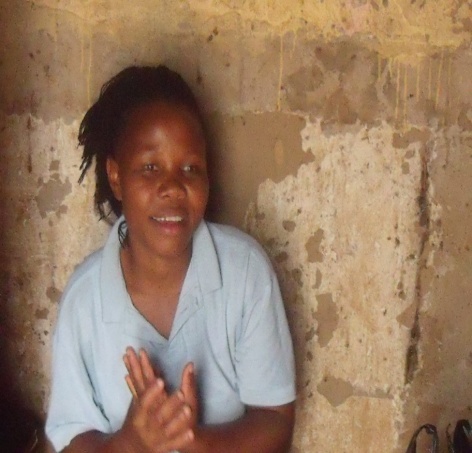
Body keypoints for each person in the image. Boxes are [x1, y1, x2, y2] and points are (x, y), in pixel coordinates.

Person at [45, 65, 296, 453]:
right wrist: (130, 444)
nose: (173, 187)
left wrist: (194, 440)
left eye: (190, 168)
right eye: (150, 167)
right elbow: (70, 440)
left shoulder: (244, 273)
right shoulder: (84, 301)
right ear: (115, 176)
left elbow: (276, 421)